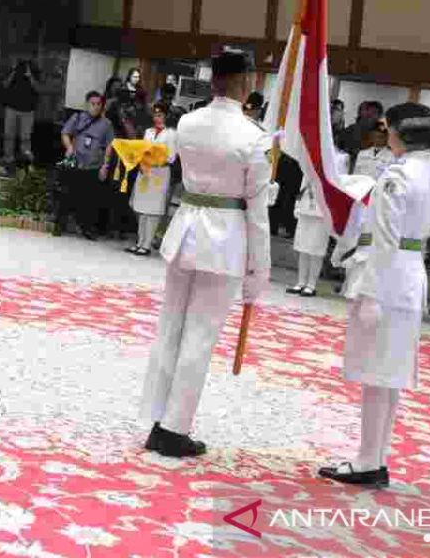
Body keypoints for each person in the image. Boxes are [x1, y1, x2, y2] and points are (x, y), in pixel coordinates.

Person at [140, 50, 270, 458]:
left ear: (213, 79)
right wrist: (258, 269)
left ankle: (157, 418)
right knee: (199, 334)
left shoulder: (187, 122)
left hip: (187, 228)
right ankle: (175, 429)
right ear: (246, 82)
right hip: (225, 238)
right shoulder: (254, 136)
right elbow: (258, 211)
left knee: (171, 328)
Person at [318, 103, 430, 488]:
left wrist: (370, 292)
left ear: (399, 133)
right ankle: (376, 457)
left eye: (388, 128)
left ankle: (367, 461)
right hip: (409, 276)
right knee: (390, 377)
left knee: (376, 374)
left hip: (387, 279)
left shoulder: (397, 175)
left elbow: (386, 241)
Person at [54, 91, 115, 240]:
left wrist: (105, 166)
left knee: (90, 200)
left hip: (93, 165)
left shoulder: (107, 124)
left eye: (98, 104)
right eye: (92, 104)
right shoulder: (78, 118)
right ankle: (59, 224)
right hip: (75, 163)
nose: (95, 107)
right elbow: (65, 133)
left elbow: (109, 146)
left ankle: (86, 228)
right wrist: (69, 147)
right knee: (66, 195)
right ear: (87, 104)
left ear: (102, 106)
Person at [289, 149, 349, 297]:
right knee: (302, 246)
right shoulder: (312, 153)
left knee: (316, 249)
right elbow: (304, 181)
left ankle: (311, 284)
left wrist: (335, 210)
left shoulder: (341, 158)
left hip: (323, 208)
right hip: (306, 204)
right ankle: (300, 282)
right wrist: (297, 204)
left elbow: (341, 184)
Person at [124, 102, 177, 256]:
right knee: (141, 208)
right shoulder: (148, 132)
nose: (157, 118)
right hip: (145, 171)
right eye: (155, 115)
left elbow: (172, 157)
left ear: (166, 116)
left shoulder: (171, 134)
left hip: (159, 173)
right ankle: (139, 241)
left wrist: (156, 159)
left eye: (160, 115)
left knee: (153, 210)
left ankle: (147, 244)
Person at [1, 60, 41, 169]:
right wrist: (13, 71)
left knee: (25, 137)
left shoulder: (34, 69)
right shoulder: (13, 69)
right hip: (11, 108)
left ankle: (26, 160)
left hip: (28, 110)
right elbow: (5, 84)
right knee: (8, 135)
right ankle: (8, 158)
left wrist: (30, 75)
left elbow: (38, 88)